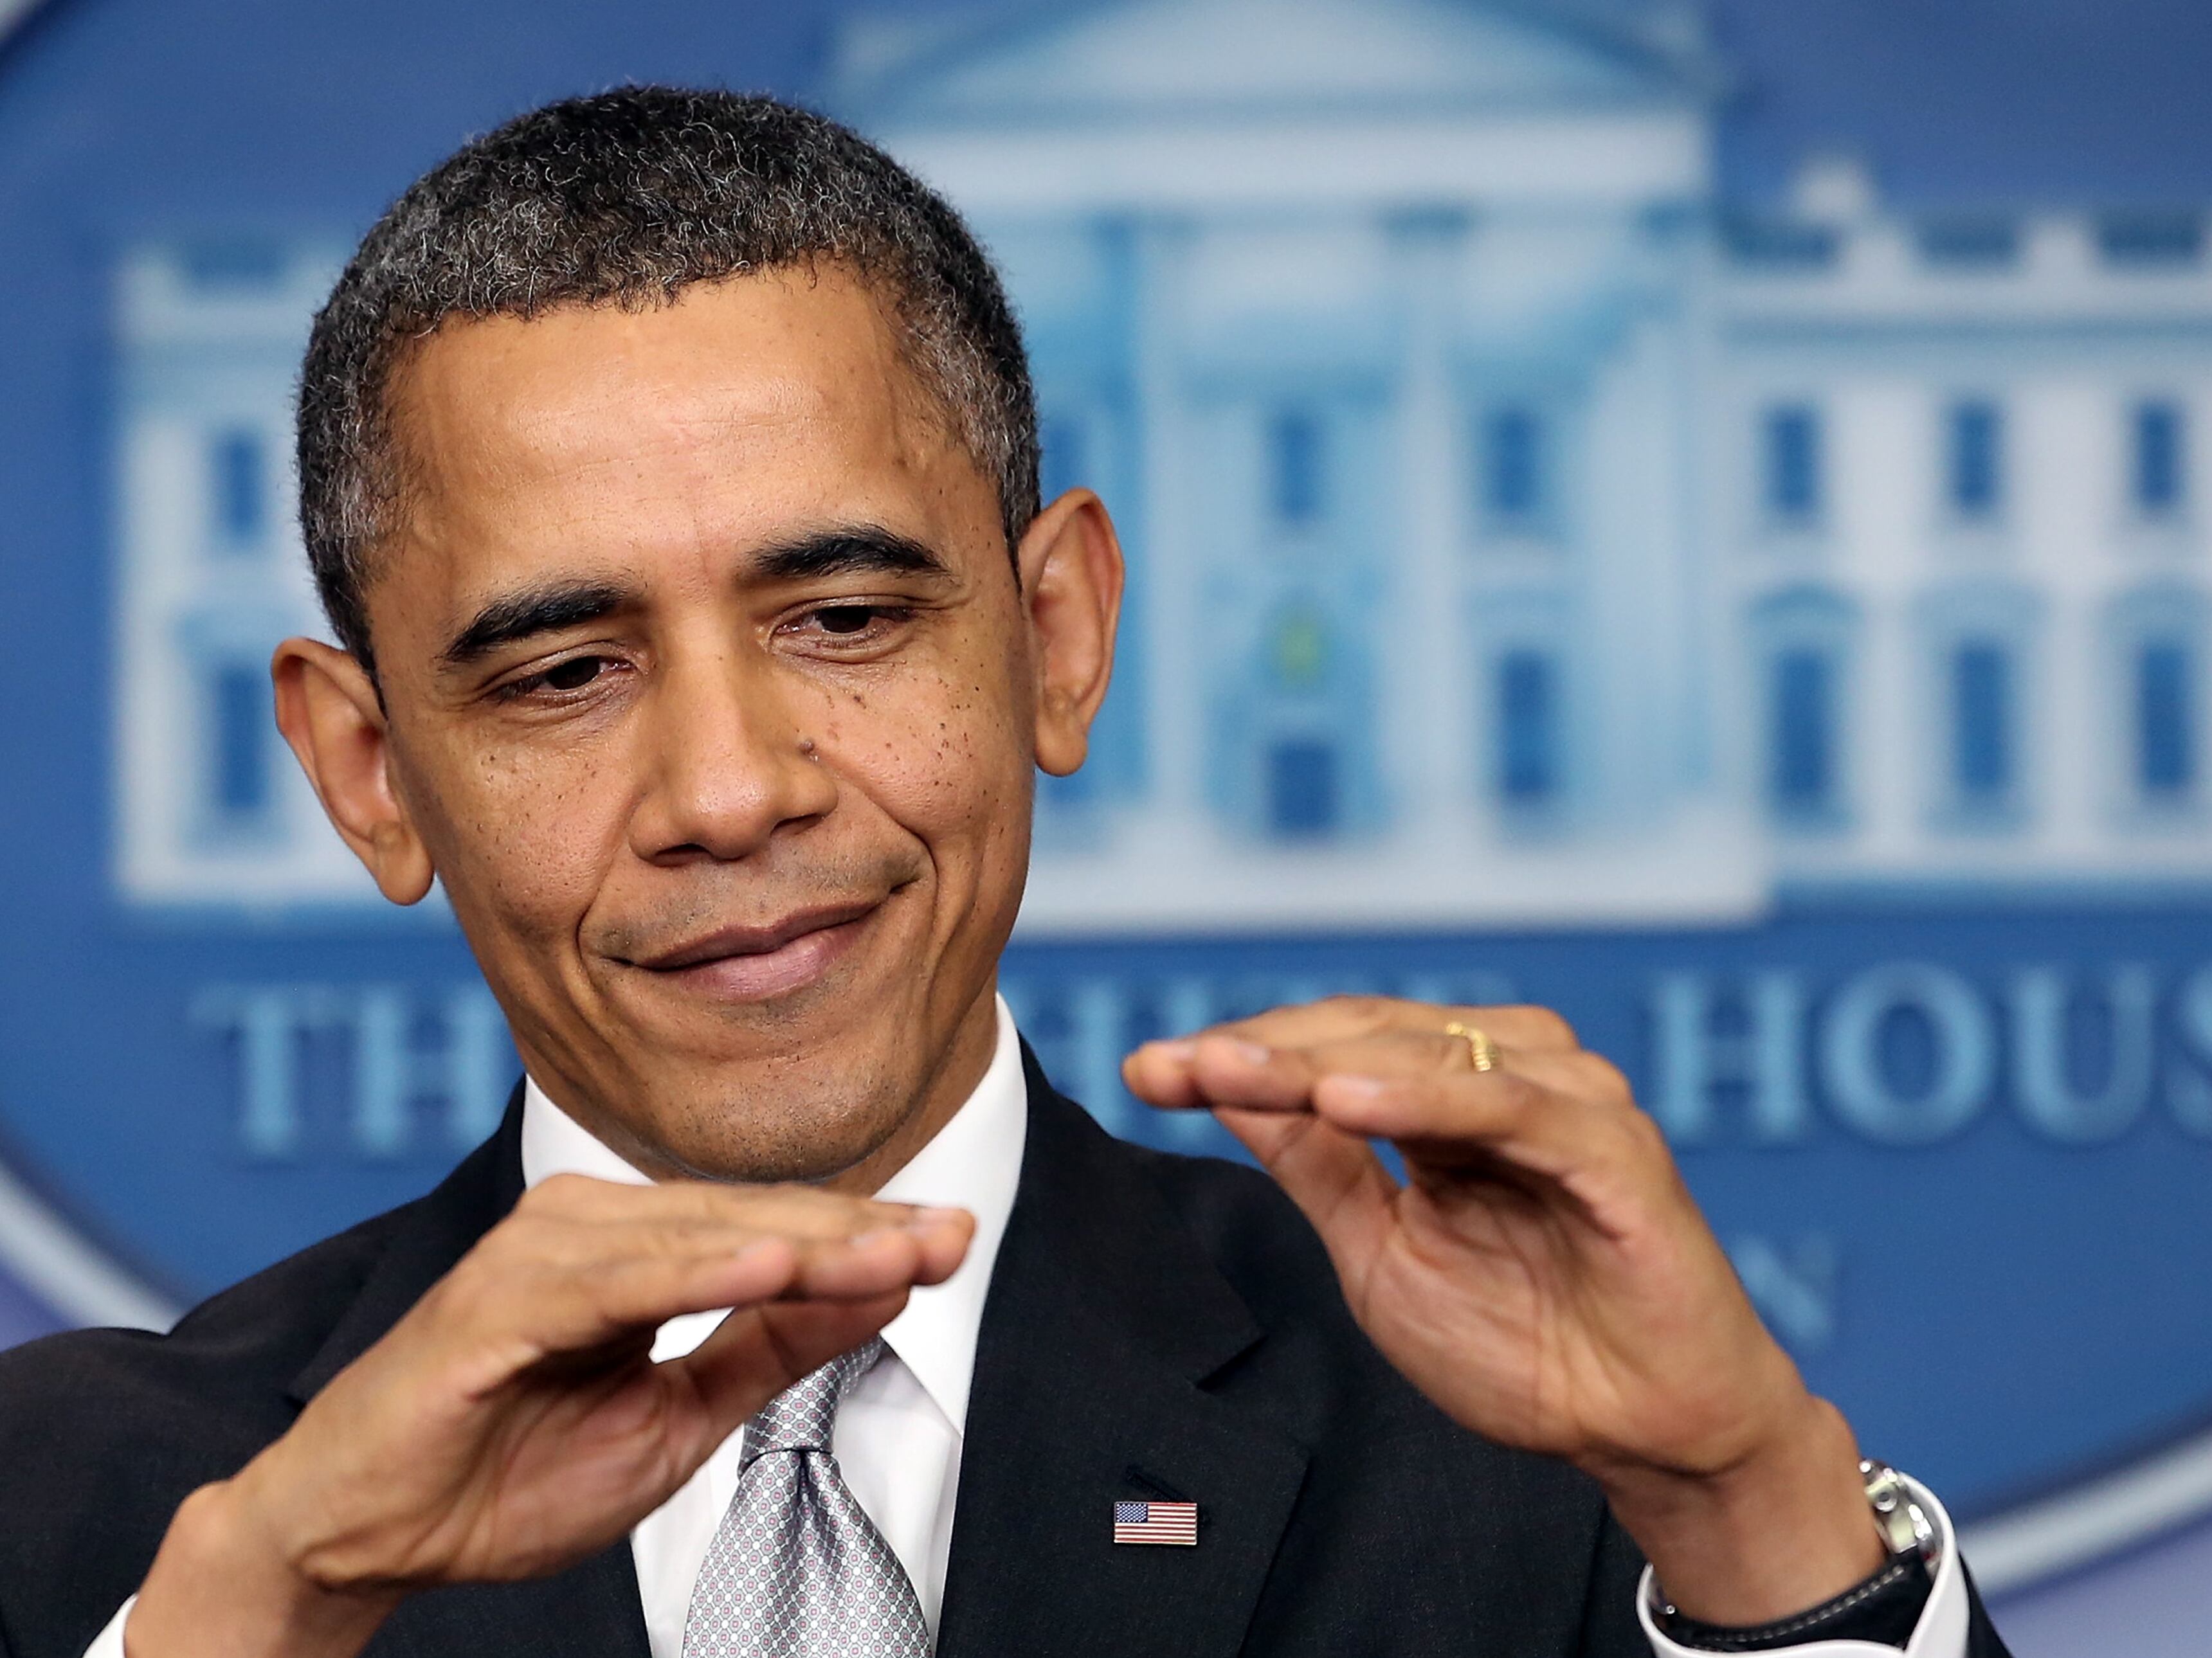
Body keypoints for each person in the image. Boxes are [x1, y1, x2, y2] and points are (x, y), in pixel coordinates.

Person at [0, 88, 2007, 1658]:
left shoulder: (1526, 1457)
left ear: (1054, 634)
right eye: (564, 672)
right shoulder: (97, 1518)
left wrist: (1758, 1515)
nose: (728, 787)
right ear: (371, 773)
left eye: (847, 620)